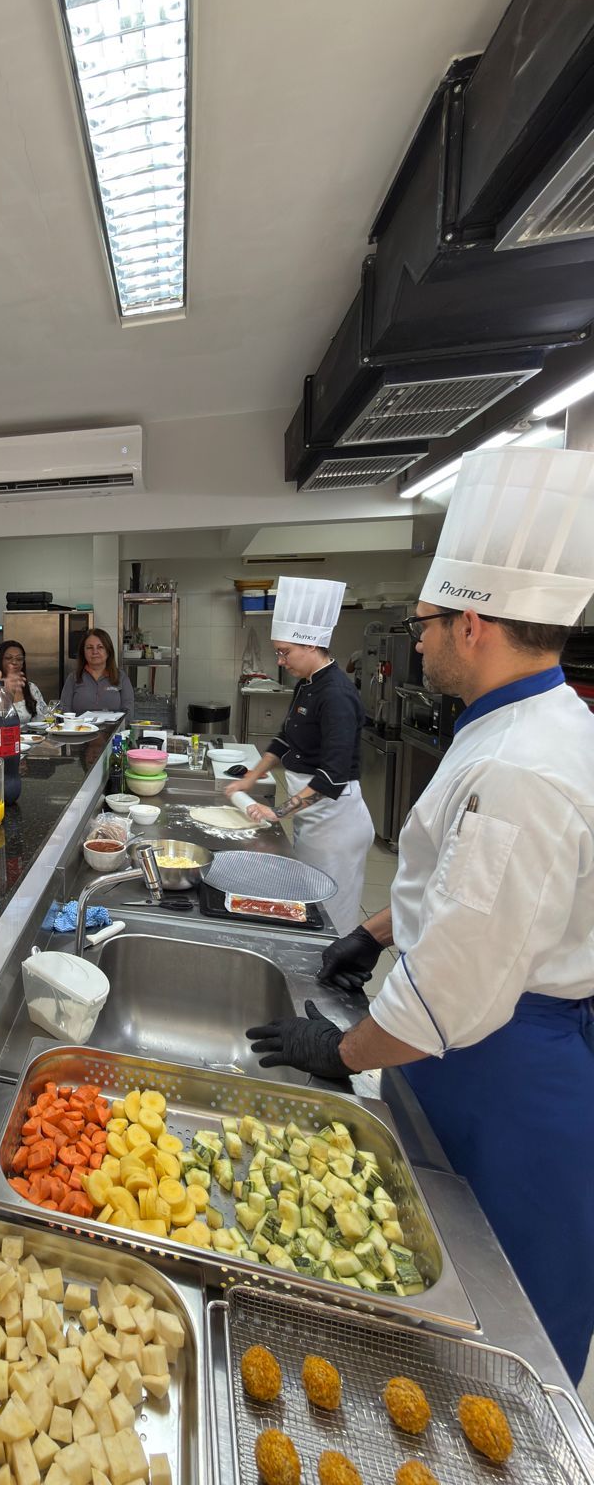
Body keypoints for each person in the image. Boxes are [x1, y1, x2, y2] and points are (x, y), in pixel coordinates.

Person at [245, 448, 594, 1384]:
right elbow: (479, 894)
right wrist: (377, 931)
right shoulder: (526, 728)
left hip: (503, 1077)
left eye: (428, 623)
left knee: (483, 1352)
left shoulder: (520, 766)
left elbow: (457, 986)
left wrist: (341, 1052)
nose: (421, 639)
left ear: (473, 624)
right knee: (416, 1281)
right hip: (483, 1046)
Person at [225, 579, 373, 936]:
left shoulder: (336, 694)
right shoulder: (308, 684)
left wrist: (278, 812)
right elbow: (285, 739)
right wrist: (251, 777)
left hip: (336, 821)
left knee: (331, 911)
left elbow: (333, 777)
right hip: (314, 815)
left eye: (284, 651)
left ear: (311, 644)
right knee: (308, 898)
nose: (280, 660)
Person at [60, 628, 134, 718]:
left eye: (100, 647)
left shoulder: (121, 677)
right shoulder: (73, 678)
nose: (95, 652)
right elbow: (64, 710)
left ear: (108, 651)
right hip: (81, 730)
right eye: (90, 647)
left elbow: (128, 712)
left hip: (114, 731)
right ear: (83, 652)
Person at [0, 640, 47, 724]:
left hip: (28, 736)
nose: (14, 662)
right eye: (8, 658)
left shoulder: (31, 688)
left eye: (19, 659)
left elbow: (42, 720)